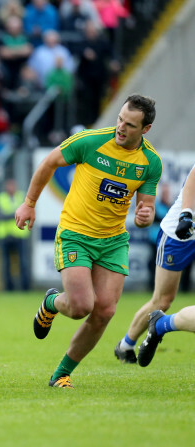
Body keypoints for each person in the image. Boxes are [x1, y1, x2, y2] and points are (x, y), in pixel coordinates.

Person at [15, 94, 161, 388]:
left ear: (145, 130)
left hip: (113, 240)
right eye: (120, 119)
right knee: (81, 306)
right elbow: (48, 163)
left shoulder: (150, 162)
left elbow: (146, 205)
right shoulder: (90, 141)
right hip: (76, 234)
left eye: (130, 125)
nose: (121, 128)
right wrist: (28, 203)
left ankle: (61, 374)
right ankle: (52, 303)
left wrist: (145, 215)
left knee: (105, 310)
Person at [115, 164, 195, 365]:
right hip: (178, 235)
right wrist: (186, 213)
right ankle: (126, 345)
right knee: (162, 300)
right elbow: (193, 179)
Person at [0, 178, 30, 291]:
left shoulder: (22, 197)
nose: (11, 188)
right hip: (5, 235)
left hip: (19, 235)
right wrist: (15, 214)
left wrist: (8, 215)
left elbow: (26, 213)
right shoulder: (0, 198)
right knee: (6, 264)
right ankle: (9, 288)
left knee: (23, 263)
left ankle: (25, 288)